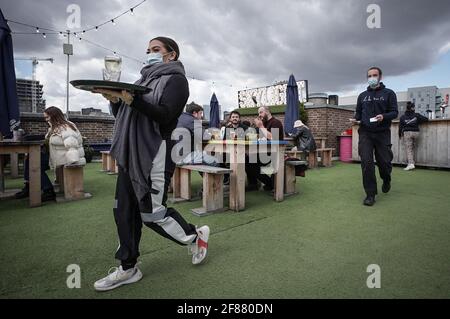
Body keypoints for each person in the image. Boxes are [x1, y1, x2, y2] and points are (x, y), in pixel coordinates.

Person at [93, 37, 210, 292]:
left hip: (156, 150)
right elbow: (125, 115)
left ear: (172, 55)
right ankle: (128, 267)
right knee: (124, 210)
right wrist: (115, 101)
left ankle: (195, 236)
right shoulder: (140, 81)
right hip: (130, 151)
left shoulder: (177, 80)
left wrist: (132, 100)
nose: (150, 54)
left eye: (156, 50)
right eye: (148, 50)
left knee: (152, 213)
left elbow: (165, 115)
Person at [352, 67, 398, 206]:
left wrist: (383, 116)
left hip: (382, 133)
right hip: (365, 132)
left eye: (375, 75)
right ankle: (370, 194)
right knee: (366, 163)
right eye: (369, 75)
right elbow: (358, 114)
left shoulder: (389, 93)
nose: (372, 77)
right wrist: (355, 120)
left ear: (380, 77)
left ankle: (386, 178)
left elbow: (394, 112)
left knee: (384, 162)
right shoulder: (362, 96)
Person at [246, 106, 284, 191]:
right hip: (263, 151)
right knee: (246, 159)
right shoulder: (265, 123)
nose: (259, 115)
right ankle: (254, 184)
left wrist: (261, 126)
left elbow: (273, 137)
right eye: (259, 113)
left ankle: (270, 183)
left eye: (261, 112)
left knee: (250, 163)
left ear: (267, 111)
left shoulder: (276, 122)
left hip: (274, 152)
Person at [399, 102, 428, 171]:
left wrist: (400, 134)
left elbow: (400, 127)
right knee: (412, 148)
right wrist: (417, 122)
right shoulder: (416, 115)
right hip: (416, 133)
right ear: (413, 108)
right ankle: (412, 162)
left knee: (409, 149)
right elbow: (426, 119)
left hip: (407, 133)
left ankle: (411, 164)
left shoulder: (402, 117)